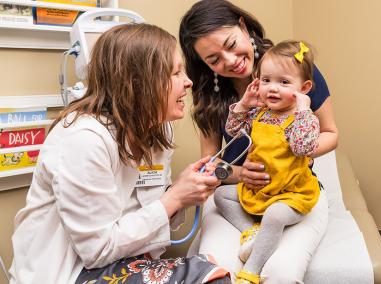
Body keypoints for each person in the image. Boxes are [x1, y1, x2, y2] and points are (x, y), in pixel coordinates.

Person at [9, 23, 230, 284]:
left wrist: (182, 192)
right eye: (175, 73)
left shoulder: (160, 129)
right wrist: (175, 198)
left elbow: (149, 215)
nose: (188, 82)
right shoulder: (83, 140)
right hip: (70, 272)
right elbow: (97, 250)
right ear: (138, 83)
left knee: (215, 272)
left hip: (127, 260)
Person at [179, 0, 334, 282]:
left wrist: (299, 154)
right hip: (242, 194)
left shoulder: (296, 70)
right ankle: (252, 235)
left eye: (230, 44)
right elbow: (211, 163)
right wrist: (239, 173)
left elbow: (331, 134)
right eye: (214, 60)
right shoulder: (209, 96)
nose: (229, 61)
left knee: (281, 272)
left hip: (292, 191)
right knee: (217, 270)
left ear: (243, 25)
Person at [214, 40, 327, 283]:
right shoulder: (259, 113)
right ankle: (252, 230)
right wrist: (244, 105)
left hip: (290, 193)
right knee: (220, 197)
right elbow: (233, 131)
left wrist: (304, 111)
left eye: (284, 82)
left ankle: (251, 270)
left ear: (304, 88)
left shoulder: (303, 119)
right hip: (260, 189)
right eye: (266, 80)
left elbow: (303, 147)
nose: (272, 89)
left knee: (275, 215)